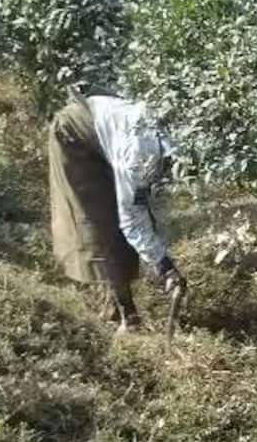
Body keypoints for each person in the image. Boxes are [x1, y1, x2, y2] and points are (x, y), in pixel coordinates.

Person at [44, 92, 187, 331]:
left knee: (130, 211)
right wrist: (165, 267)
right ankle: (128, 317)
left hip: (108, 134)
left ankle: (112, 306)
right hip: (74, 134)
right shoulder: (139, 159)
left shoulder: (185, 137)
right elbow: (131, 219)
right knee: (101, 227)